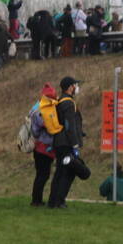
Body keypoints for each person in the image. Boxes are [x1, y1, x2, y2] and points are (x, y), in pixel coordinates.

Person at [48, 77, 91, 208]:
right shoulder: (68, 102)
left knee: (61, 172)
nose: (76, 87)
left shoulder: (62, 101)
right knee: (67, 172)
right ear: (69, 87)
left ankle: (53, 201)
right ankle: (59, 201)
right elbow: (69, 125)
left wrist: (80, 133)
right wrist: (75, 144)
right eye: (75, 84)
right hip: (66, 143)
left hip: (60, 142)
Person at [30, 83, 59, 206]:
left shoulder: (36, 107)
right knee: (43, 175)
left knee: (40, 174)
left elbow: (35, 131)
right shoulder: (44, 111)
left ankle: (36, 199)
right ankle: (36, 200)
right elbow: (48, 127)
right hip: (45, 148)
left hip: (38, 147)